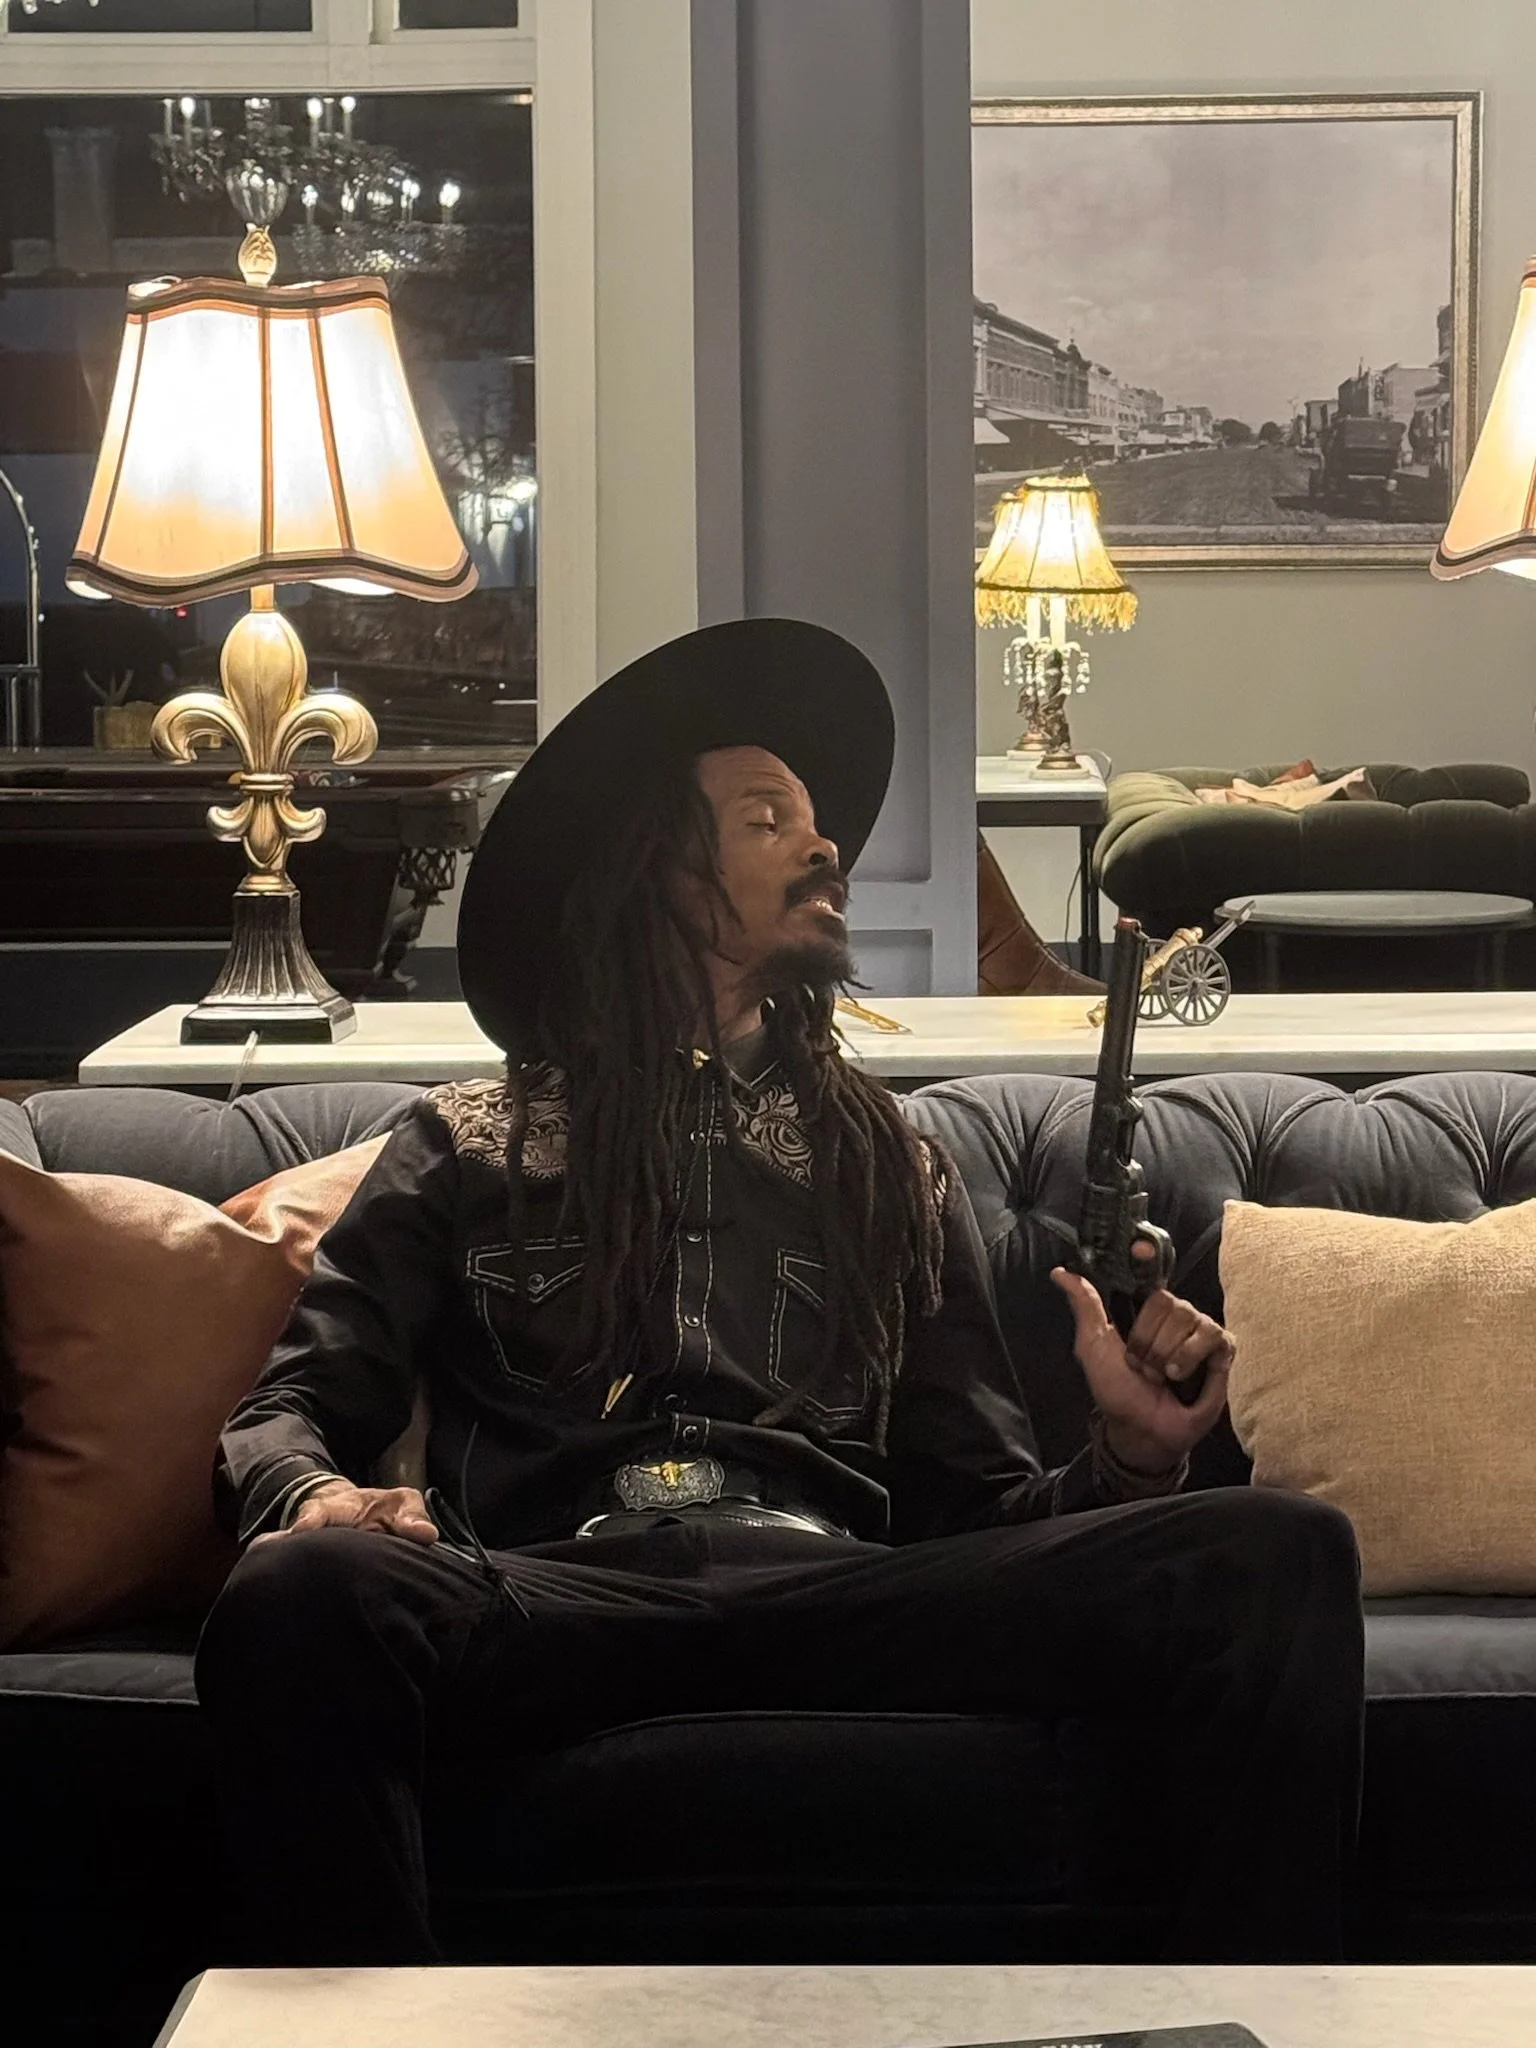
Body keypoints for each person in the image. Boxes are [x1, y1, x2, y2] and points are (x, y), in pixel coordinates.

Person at [196, 618, 1364, 1968]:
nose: (826, 851)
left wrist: (1127, 1458)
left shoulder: (889, 1158)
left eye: (819, 826)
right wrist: (318, 1499)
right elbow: (285, 1414)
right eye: (768, 820)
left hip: (839, 1598)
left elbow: (975, 1510)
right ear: (659, 872)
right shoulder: (470, 1139)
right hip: (558, 1593)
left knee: (1277, 1553)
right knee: (299, 1600)